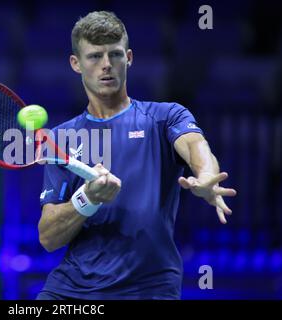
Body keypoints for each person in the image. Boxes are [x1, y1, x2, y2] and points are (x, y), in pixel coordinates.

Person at [36, 11, 237, 300]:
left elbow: (195, 146)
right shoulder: (60, 139)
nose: (106, 65)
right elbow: (48, 237)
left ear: (128, 58)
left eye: (115, 55)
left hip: (148, 289)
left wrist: (205, 176)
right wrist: (88, 199)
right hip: (72, 292)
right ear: (76, 64)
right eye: (94, 57)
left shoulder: (165, 116)